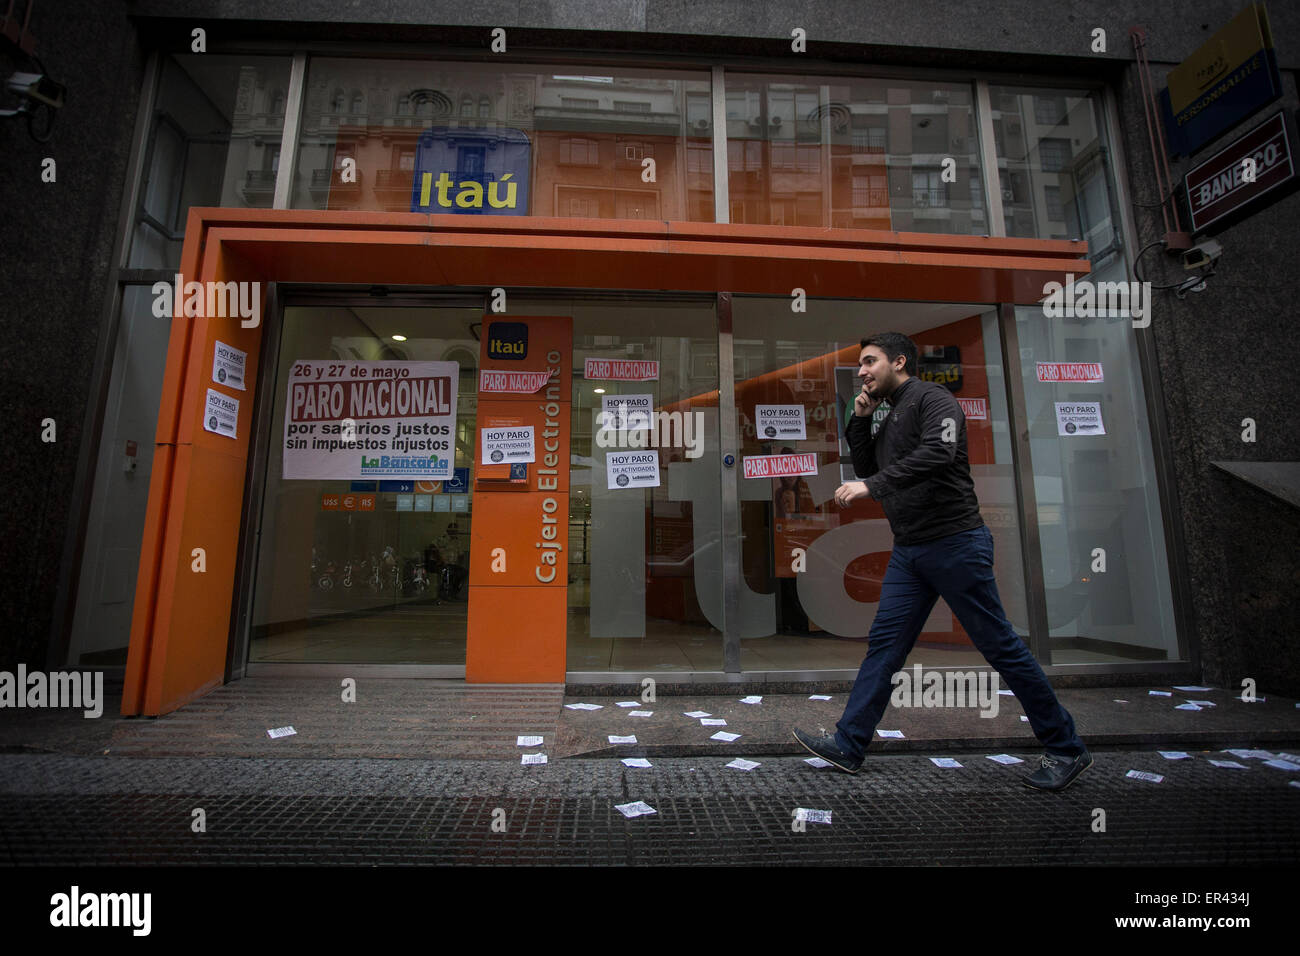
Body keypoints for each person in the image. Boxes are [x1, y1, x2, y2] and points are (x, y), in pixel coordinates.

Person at [792, 332, 1091, 791]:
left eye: (870, 362)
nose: (863, 371)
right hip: (910, 550)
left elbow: (938, 452)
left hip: (955, 544)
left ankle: (1066, 748)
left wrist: (870, 488)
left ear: (899, 361)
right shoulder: (888, 412)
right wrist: (859, 421)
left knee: (1001, 647)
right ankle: (849, 745)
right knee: (885, 646)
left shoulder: (933, 399)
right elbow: (870, 467)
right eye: (860, 365)